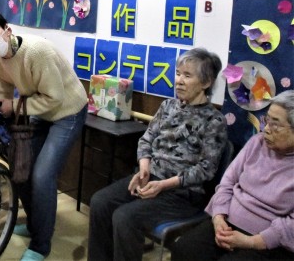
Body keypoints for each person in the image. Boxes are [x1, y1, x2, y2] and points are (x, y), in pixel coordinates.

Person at [88, 47, 228, 261]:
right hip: (151, 178)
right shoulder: (168, 106)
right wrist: (144, 169)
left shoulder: (214, 121)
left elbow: (206, 169)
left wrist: (163, 185)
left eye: (187, 75)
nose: (179, 81)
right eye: (178, 73)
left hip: (182, 194)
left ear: (206, 82)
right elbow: (146, 139)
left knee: (125, 217)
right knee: (100, 202)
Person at [0, 10, 88, 261]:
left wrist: (14, 106)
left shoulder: (37, 51)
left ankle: (40, 245)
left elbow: (54, 97)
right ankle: (36, 224)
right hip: (38, 109)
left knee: (42, 175)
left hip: (67, 110)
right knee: (20, 168)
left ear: (7, 30)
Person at [171, 90, 294, 261]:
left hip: (267, 241)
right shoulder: (256, 143)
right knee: (184, 248)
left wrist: (252, 242)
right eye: (267, 120)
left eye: (276, 125)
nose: (266, 129)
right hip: (227, 223)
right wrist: (218, 217)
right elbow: (227, 182)